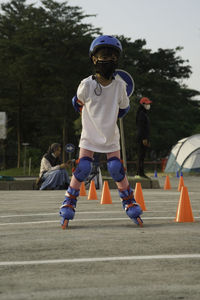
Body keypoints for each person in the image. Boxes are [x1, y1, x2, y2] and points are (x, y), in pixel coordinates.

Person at [59, 35, 143, 229]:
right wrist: (91, 119)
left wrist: (108, 117)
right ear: (94, 58)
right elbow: (77, 103)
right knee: (83, 168)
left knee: (116, 168)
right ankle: (69, 201)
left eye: (112, 56)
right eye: (103, 55)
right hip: (89, 135)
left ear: (117, 59)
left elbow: (124, 109)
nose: (108, 59)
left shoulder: (120, 86)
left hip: (111, 135)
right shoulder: (86, 85)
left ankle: (129, 201)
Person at [135, 97, 152, 178]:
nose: (148, 105)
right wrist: (144, 139)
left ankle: (140, 172)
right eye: (147, 104)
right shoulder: (141, 114)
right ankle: (139, 172)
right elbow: (141, 128)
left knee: (142, 155)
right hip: (141, 138)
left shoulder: (144, 113)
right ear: (143, 104)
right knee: (141, 155)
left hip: (144, 137)